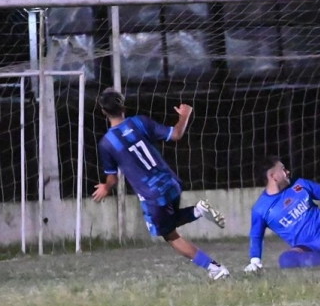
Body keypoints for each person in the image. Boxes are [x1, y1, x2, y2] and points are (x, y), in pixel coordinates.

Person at [91, 88, 230, 280]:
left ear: (104, 112)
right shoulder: (140, 121)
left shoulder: (107, 143)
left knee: (169, 235)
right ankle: (197, 211)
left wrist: (106, 187)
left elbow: (113, 179)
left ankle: (215, 268)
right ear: (123, 106)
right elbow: (176, 134)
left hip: (152, 195)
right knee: (169, 223)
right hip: (171, 182)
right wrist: (185, 115)